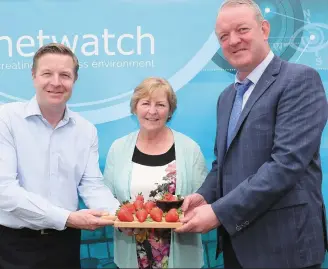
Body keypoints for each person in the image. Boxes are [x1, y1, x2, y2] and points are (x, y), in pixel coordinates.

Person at [176, 0, 328, 268]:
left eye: (242, 29)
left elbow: (286, 165)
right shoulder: (227, 97)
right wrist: (205, 196)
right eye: (224, 36)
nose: (233, 41)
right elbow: (222, 165)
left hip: (286, 247)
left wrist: (218, 212)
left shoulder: (299, 80)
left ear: (264, 29)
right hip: (238, 245)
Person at [0, 43, 120, 269]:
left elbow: (92, 186)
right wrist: (67, 218)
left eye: (64, 75)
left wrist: (121, 216)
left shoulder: (86, 130)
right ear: (34, 75)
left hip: (65, 244)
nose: (56, 82)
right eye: (47, 73)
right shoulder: (5, 119)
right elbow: (4, 191)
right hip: (11, 246)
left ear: (74, 80)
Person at [103, 77, 207, 268]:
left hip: (181, 253)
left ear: (170, 111)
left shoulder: (190, 149)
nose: (152, 111)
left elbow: (204, 198)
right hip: (131, 254)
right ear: (135, 108)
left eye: (160, 104)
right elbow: (106, 198)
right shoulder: (118, 149)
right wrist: (118, 220)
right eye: (145, 103)